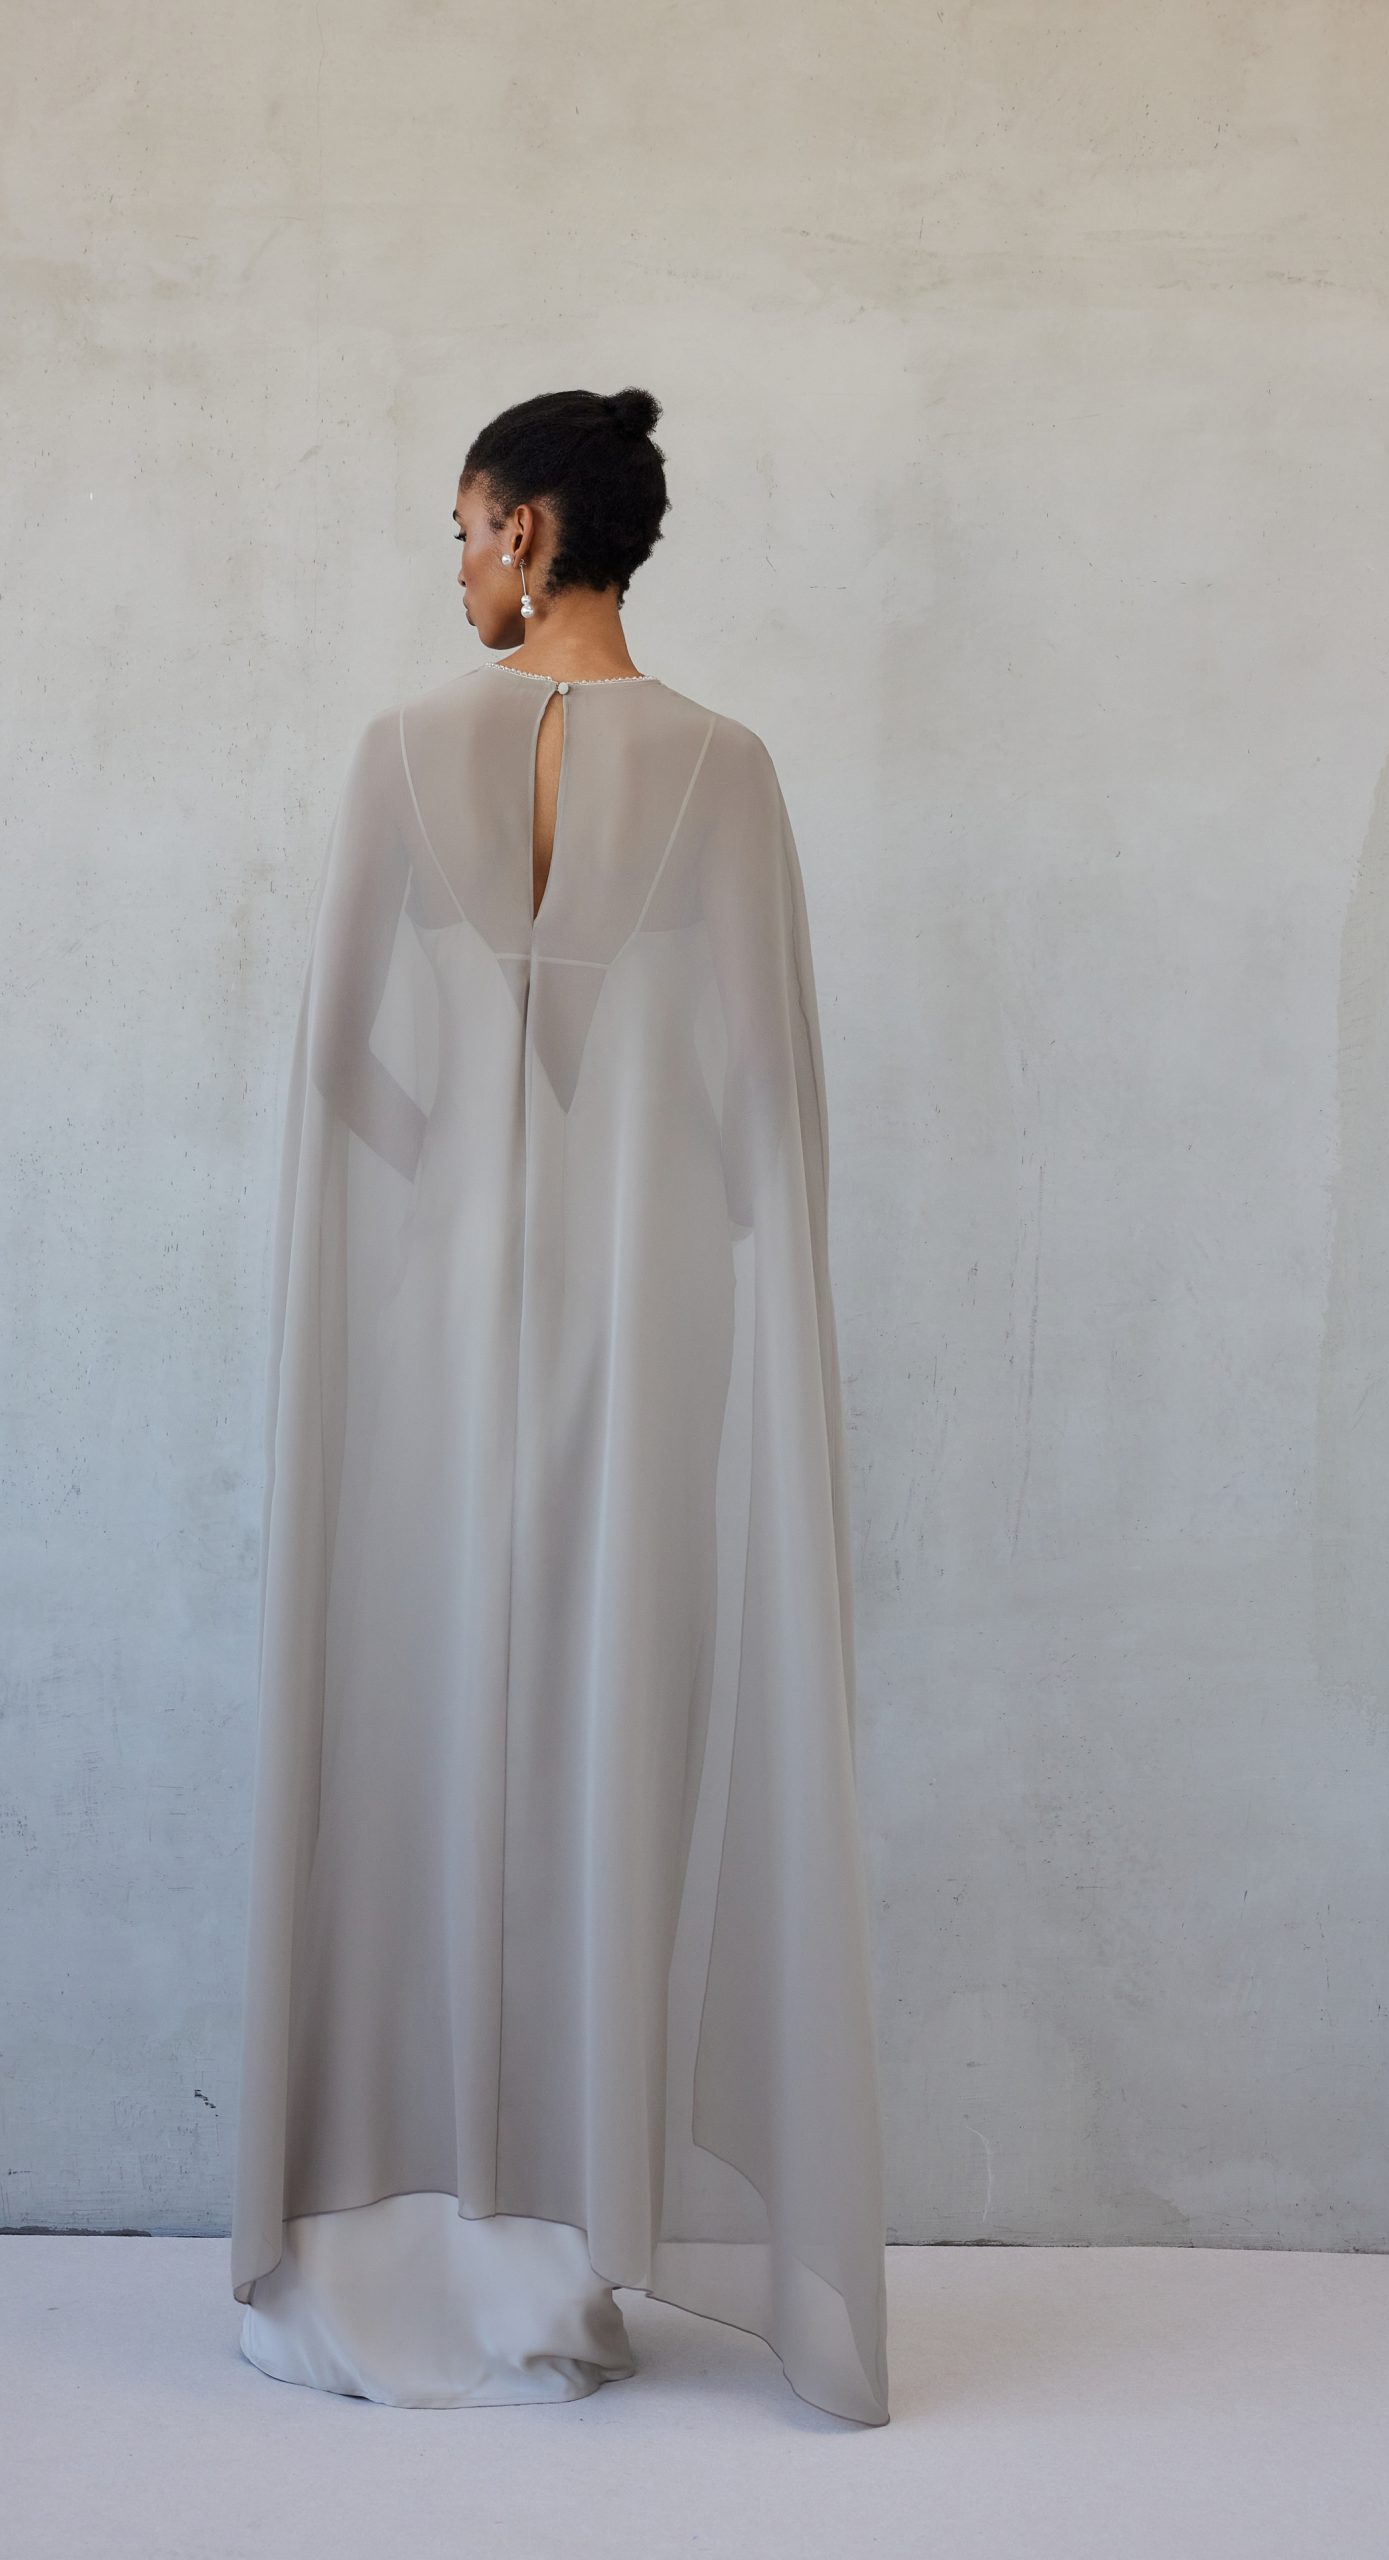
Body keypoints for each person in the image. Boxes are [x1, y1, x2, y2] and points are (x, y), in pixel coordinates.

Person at [228, 388, 890, 2425]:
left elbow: (344, 1062)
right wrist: (648, 1189)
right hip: (643, 1313)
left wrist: (461, 1167)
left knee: (436, 1708)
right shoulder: (725, 768)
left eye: (461, 528)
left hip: (440, 1319)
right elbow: (763, 1105)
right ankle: (564, 2233)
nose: (455, 567)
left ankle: (414, 2229)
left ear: (527, 530)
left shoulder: (399, 751)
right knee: (606, 1721)